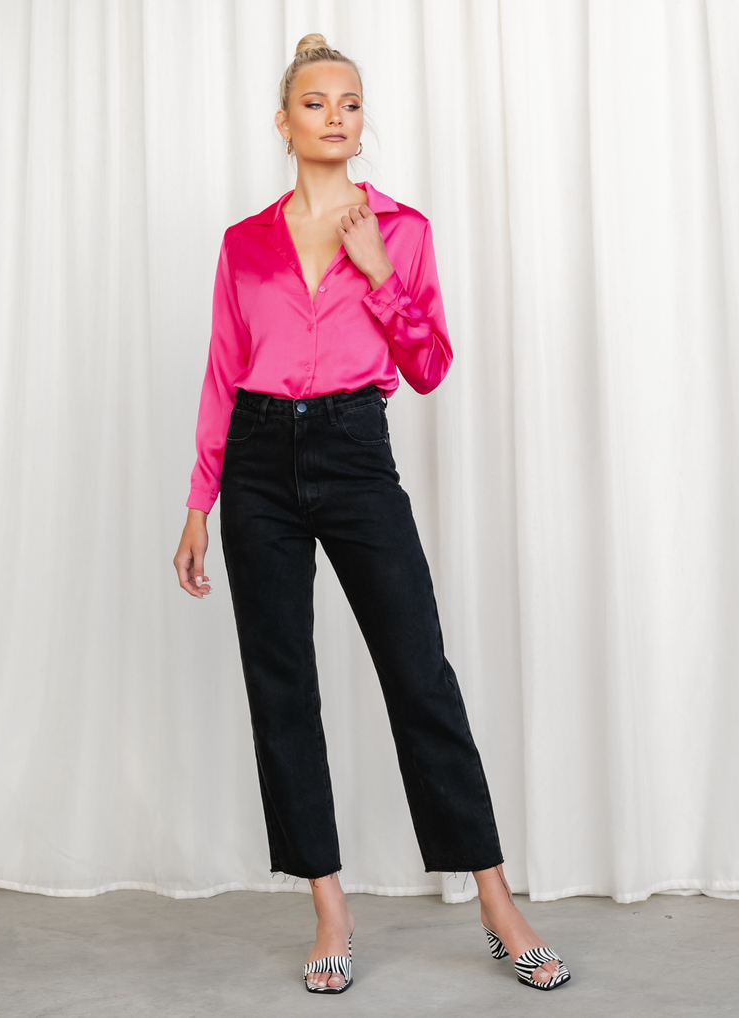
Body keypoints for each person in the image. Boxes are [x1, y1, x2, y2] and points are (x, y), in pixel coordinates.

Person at [173, 33, 571, 995]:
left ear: (362, 121)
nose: (335, 117)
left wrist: (380, 272)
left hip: (355, 450)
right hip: (257, 460)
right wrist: (198, 502)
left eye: (350, 103)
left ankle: (496, 900)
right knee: (282, 684)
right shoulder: (243, 243)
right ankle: (329, 907)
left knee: (418, 672)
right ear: (283, 122)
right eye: (316, 103)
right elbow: (223, 371)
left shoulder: (403, 228)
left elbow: (429, 368)